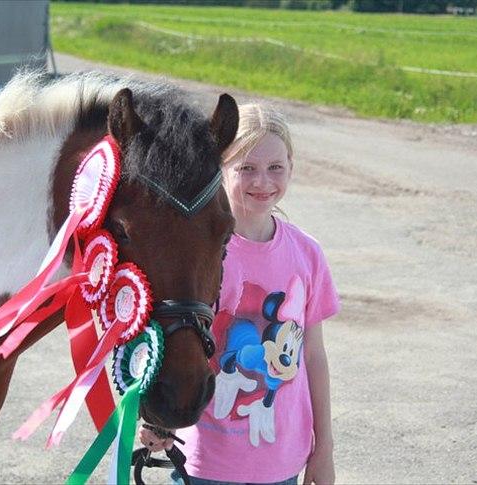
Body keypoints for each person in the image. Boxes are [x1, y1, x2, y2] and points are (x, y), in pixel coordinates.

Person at [139, 103, 340, 485]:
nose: (262, 181)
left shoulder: (307, 253)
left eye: (275, 167)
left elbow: (313, 356)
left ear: (291, 168)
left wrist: (323, 449)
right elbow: (166, 342)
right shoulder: (198, 254)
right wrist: (157, 417)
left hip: (282, 463)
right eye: (246, 168)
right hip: (203, 462)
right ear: (221, 171)